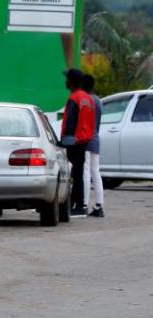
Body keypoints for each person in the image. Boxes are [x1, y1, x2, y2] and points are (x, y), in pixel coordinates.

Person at [59, 68, 96, 217]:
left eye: (67, 79)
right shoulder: (88, 98)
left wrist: (63, 141)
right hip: (83, 139)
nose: (65, 82)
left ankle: (76, 205)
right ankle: (79, 204)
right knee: (78, 173)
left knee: (71, 174)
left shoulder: (74, 98)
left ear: (72, 82)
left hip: (73, 140)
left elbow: (70, 122)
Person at [81, 74, 104, 218]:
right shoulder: (98, 100)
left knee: (85, 172)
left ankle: (83, 204)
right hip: (96, 139)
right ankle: (99, 205)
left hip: (86, 140)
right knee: (96, 172)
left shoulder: (86, 100)